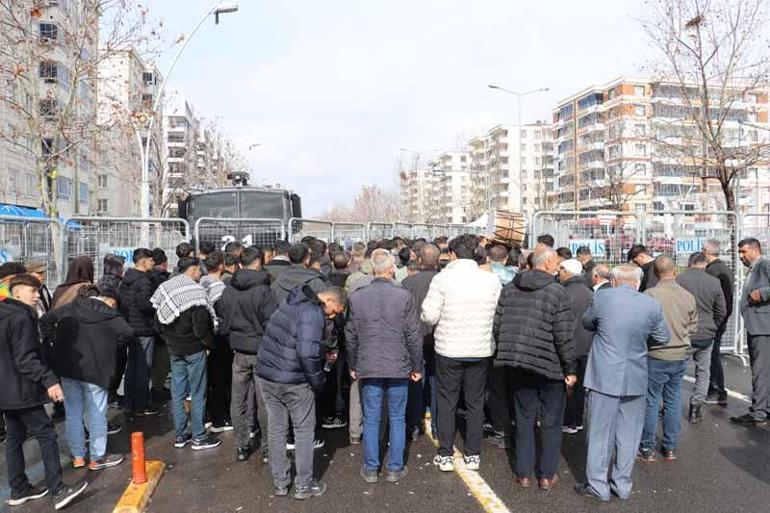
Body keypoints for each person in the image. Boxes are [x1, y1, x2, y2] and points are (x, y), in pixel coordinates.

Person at [574, 265, 669, 502]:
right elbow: (662, 337)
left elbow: (587, 322)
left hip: (605, 375)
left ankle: (598, 485)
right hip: (636, 375)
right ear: (637, 283)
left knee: (599, 433)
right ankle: (622, 484)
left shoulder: (603, 297)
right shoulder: (651, 304)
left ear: (614, 281)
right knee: (629, 434)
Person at [1, 274, 88, 509]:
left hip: (6, 390)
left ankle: (19, 489)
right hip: (23, 389)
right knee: (47, 435)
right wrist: (49, 380)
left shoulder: (5, 312)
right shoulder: (20, 318)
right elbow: (25, 358)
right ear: (17, 292)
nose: (37, 295)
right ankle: (58, 490)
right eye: (32, 291)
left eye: (37, 291)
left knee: (14, 438)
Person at [493, 248, 576, 490]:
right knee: (551, 422)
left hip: (518, 363)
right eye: (557, 263)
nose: (558, 266)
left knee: (523, 419)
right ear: (549, 263)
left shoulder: (509, 289)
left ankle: (523, 473)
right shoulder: (557, 292)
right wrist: (570, 368)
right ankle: (547, 474)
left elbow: (498, 326)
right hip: (550, 366)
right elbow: (563, 336)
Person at [421, 234, 502, 472]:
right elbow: (498, 313)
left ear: (453, 254)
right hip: (481, 348)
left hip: (449, 348)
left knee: (447, 401)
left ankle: (446, 453)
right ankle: (473, 454)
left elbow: (429, 315)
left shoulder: (442, 279)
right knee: (475, 402)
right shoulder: (491, 280)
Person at [257, 285, 346, 500]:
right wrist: (317, 381)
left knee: (277, 428)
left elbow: (288, 337)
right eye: (337, 311)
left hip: (268, 373)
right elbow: (306, 353)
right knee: (304, 431)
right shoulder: (313, 312)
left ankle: (280, 482)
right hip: (294, 380)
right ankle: (304, 484)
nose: (334, 317)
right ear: (330, 301)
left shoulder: (292, 302)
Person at [347, 249, 422, 483]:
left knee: (371, 417)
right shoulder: (403, 296)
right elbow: (413, 335)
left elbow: (351, 335)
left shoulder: (357, 296)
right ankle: (394, 467)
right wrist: (416, 365)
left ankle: (371, 468)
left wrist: (353, 363)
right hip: (398, 363)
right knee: (397, 417)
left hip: (368, 363)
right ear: (391, 270)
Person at [40, 284, 133, 471]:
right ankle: (97, 458)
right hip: (96, 370)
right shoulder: (107, 312)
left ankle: (78, 457)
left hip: (69, 368)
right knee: (97, 413)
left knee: (73, 413)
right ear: (100, 297)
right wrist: (112, 346)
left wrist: (54, 339)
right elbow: (127, 333)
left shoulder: (69, 308)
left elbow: (45, 320)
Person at [151, 257, 220, 450]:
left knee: (178, 392)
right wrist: (209, 344)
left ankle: (180, 435)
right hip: (194, 350)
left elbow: (158, 321)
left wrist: (168, 340)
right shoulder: (195, 292)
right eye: (199, 270)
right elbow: (201, 327)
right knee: (198, 393)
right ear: (192, 269)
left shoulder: (166, 288)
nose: (201, 274)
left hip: (174, 348)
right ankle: (199, 436)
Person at [218, 247, 277, 461]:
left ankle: (242, 446)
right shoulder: (265, 290)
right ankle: (268, 448)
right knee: (265, 402)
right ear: (259, 263)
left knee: (238, 401)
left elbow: (223, 318)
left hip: (238, 350)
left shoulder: (228, 289)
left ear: (240, 264)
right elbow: (271, 322)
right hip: (261, 350)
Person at [639, 255, 697, 462]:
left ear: (655, 273)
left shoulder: (650, 295)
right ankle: (670, 447)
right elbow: (693, 327)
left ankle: (647, 447)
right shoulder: (687, 296)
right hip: (679, 354)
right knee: (673, 400)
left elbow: (642, 325)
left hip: (655, 353)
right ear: (676, 271)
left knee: (651, 401)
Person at [676, 252, 726, 423]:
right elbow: (721, 310)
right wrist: (713, 325)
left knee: (677, 370)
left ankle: (670, 405)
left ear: (689, 263)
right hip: (706, 333)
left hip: (683, 332)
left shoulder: (679, 280)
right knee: (703, 371)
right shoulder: (713, 282)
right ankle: (695, 408)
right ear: (705, 264)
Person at [402, 244, 441, 442]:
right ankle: (437, 426)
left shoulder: (408, 282)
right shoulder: (443, 281)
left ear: (419, 260)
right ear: (438, 259)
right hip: (438, 337)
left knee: (416, 381)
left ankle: (415, 425)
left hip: (414, 337)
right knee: (437, 382)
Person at [731, 238, 770, 426]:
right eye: (739, 252)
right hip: (758, 326)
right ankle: (765, 408)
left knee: (760, 371)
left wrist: (762, 294)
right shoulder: (755, 268)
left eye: (743, 252)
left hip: (763, 328)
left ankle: (758, 412)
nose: (740, 256)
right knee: (763, 371)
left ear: (755, 250)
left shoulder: (764, 264)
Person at [118, 248, 158, 418]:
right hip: (143, 328)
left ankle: (129, 404)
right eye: (151, 260)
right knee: (143, 368)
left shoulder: (126, 279)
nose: (154, 263)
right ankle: (141, 405)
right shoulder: (143, 281)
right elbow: (144, 304)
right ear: (143, 261)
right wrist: (157, 305)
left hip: (130, 327)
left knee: (132, 367)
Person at [558, 258, 593, 435]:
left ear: (566, 271)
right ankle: (578, 420)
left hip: (569, 345)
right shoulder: (589, 292)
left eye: (560, 270)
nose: (558, 273)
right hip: (586, 345)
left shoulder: (564, 292)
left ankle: (568, 420)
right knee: (579, 386)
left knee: (567, 385)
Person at [200, 251, 233, 433]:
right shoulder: (220, 288)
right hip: (219, 336)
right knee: (221, 380)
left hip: (204, 336)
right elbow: (224, 315)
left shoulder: (201, 282)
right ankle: (219, 418)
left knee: (207, 380)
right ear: (221, 266)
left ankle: (206, 416)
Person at [703, 239, 734, 406]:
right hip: (719, 320)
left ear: (706, 252)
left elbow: (716, 300)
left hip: (714, 321)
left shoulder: (712, 271)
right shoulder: (724, 269)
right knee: (713, 355)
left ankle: (716, 389)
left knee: (712, 356)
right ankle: (716, 388)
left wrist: (716, 322)